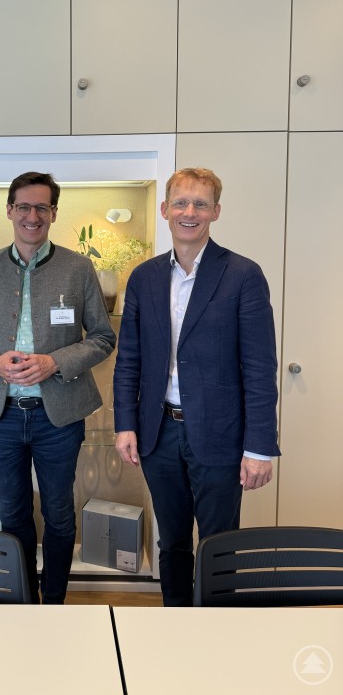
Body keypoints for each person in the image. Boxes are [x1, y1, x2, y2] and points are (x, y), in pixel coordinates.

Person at [113, 167, 280, 606]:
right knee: (172, 543)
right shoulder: (144, 278)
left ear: (216, 212)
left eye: (201, 204)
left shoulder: (243, 275)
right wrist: (125, 424)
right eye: (181, 203)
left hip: (221, 434)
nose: (190, 212)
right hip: (158, 433)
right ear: (165, 209)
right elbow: (129, 359)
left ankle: (217, 627)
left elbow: (260, 367)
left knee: (218, 545)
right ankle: (176, 620)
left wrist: (260, 447)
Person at [0, 171, 116, 604]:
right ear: (9, 210)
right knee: (13, 513)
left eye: (42, 207)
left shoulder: (78, 268)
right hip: (1, 416)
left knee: (59, 514)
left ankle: (54, 600)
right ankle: (24, 599)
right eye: (23, 206)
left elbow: (103, 337)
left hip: (58, 417)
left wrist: (54, 362)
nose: (32, 215)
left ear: (54, 213)